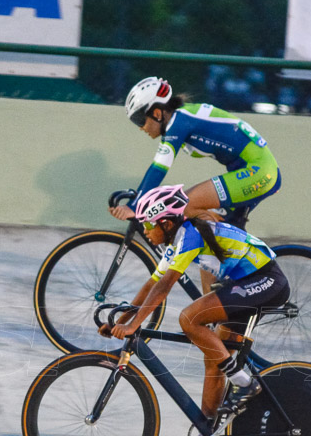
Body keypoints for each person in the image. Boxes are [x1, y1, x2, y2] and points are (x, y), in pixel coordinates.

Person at [101, 185, 290, 436]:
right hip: (244, 284)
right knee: (214, 360)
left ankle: (245, 384)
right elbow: (151, 283)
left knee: (190, 318)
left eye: (149, 226)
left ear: (165, 222)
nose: (147, 233)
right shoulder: (174, 240)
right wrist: (122, 321)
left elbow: (165, 287)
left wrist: (133, 326)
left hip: (266, 281)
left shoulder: (189, 233)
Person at [109, 77, 282, 290]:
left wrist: (134, 207)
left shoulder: (178, 122)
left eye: (139, 119)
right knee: (209, 240)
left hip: (258, 170)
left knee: (186, 203)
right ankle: (215, 313)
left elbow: (159, 168)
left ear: (156, 113)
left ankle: (251, 282)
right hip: (256, 170)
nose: (140, 127)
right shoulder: (181, 117)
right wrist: (137, 198)